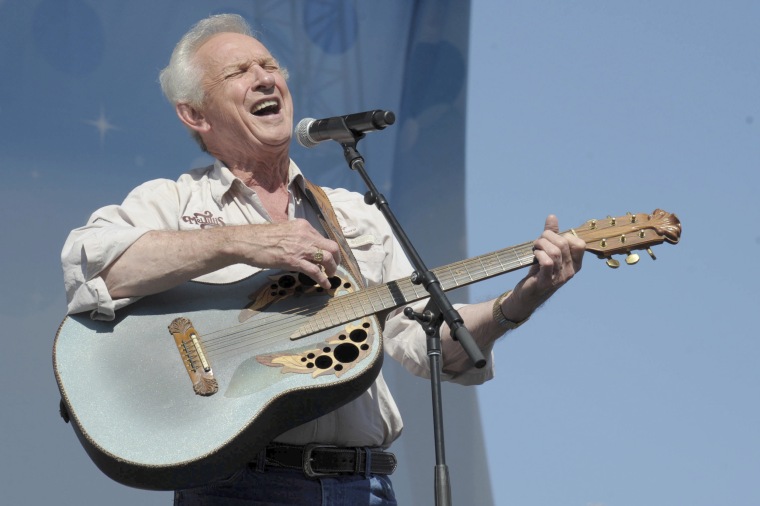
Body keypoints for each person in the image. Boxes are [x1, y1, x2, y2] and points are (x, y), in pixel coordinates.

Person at [61, 13, 585, 505]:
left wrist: (522, 300)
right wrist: (242, 242)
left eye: (270, 67)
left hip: (364, 485)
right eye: (239, 72)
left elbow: (429, 341)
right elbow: (93, 269)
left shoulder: (355, 214)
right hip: (236, 487)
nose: (265, 79)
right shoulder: (172, 201)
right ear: (195, 113)